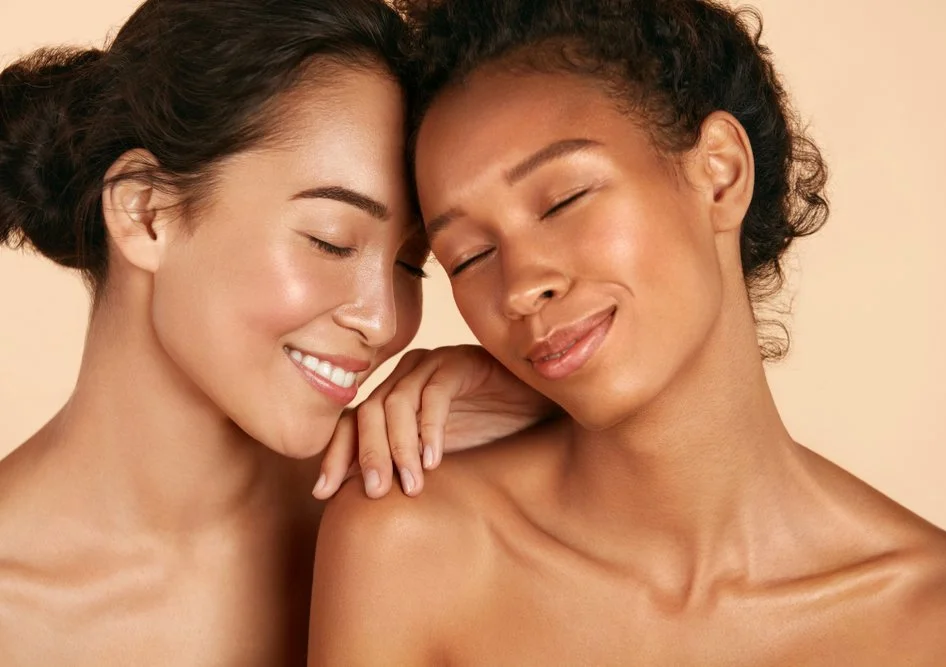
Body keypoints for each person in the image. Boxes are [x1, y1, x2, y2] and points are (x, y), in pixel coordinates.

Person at [309, 0, 946, 664]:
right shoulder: (412, 546)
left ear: (720, 173)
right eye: (470, 256)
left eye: (564, 199)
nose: (520, 286)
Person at [0, 0, 553, 664]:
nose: (385, 322)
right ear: (146, 212)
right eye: (331, 241)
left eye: (411, 263)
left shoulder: (422, 522)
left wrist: (559, 414)